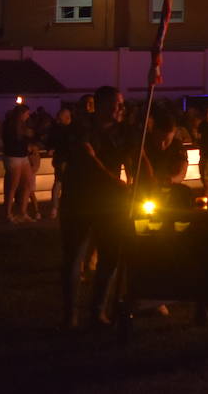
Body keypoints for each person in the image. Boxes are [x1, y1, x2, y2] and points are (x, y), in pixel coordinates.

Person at [61, 86, 134, 328]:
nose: (121, 109)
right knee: (75, 257)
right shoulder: (81, 128)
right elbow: (87, 161)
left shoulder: (123, 132)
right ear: (102, 105)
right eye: (116, 104)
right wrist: (117, 183)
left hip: (110, 203)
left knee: (110, 256)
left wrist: (136, 180)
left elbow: (133, 156)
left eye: (122, 104)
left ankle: (98, 310)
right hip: (79, 201)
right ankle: (71, 315)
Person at [2, 102, 37, 223]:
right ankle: (8, 214)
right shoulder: (10, 125)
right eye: (27, 114)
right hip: (13, 157)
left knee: (28, 183)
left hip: (22, 156)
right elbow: (10, 142)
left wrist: (28, 145)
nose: (28, 116)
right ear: (21, 114)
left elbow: (27, 139)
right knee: (13, 186)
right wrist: (25, 145)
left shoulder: (23, 126)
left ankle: (23, 213)